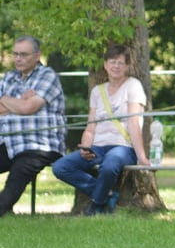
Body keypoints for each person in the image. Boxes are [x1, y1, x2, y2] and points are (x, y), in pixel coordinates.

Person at [52, 44, 149, 215]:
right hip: (97, 146)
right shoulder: (98, 91)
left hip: (123, 147)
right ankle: (107, 195)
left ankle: (96, 203)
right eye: (112, 62)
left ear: (127, 66)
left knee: (110, 164)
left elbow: (134, 122)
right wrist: (85, 148)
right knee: (61, 167)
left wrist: (141, 157)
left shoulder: (133, 86)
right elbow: (91, 127)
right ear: (105, 65)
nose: (116, 66)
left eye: (120, 63)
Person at [0, 36, 66, 217]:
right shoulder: (10, 77)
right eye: (15, 54)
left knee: (19, 174)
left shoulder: (48, 76)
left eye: (23, 54)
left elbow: (29, 108)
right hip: (8, 142)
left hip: (39, 144)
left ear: (37, 56)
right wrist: (19, 102)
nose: (18, 58)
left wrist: (6, 100)